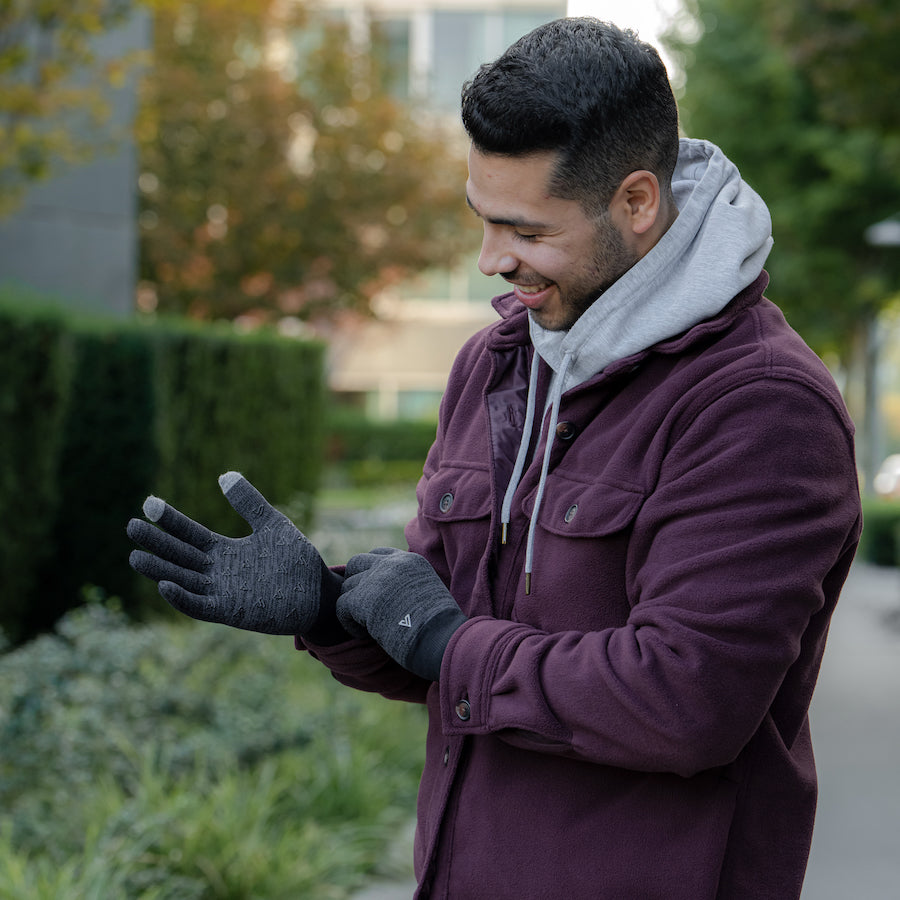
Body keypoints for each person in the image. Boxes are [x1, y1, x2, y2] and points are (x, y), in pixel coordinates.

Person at [127, 18, 862, 899]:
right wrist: (328, 610)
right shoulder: (499, 365)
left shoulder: (759, 404)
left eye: (525, 231)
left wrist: (444, 642)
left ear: (637, 203)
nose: (489, 261)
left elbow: (684, 703)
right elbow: (444, 639)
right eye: (481, 219)